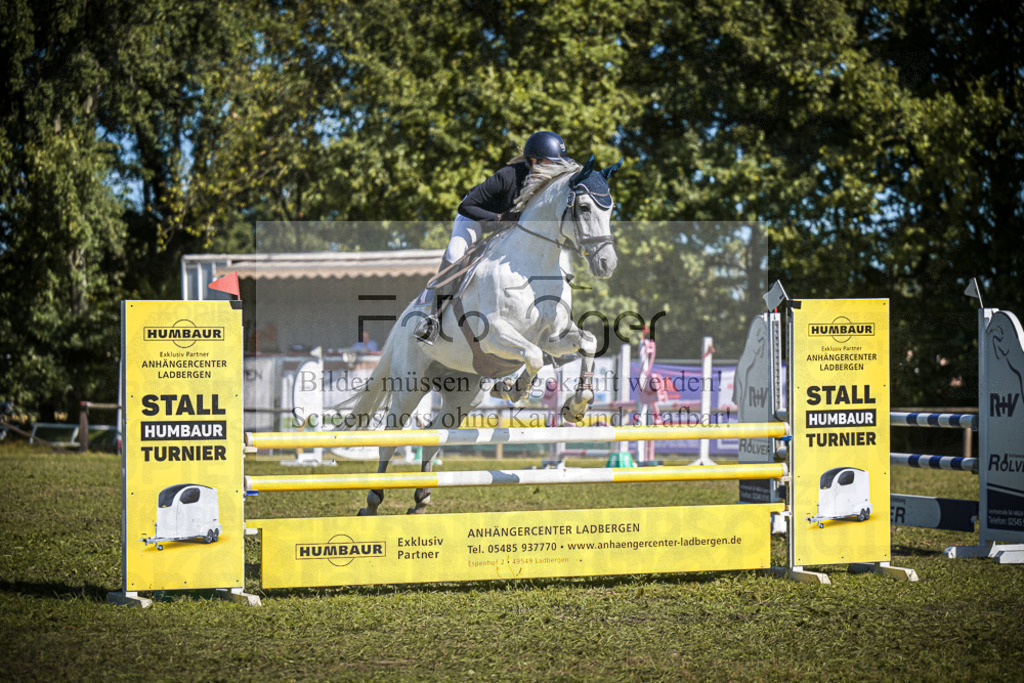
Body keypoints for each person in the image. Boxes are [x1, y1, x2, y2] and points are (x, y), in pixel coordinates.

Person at [414, 131, 570, 344]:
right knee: (455, 252)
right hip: (474, 217)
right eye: (551, 162)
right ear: (534, 161)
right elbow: (466, 206)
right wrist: (499, 218)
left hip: (506, 226)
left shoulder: (547, 185)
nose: (556, 168)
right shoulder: (508, 176)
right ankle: (433, 319)